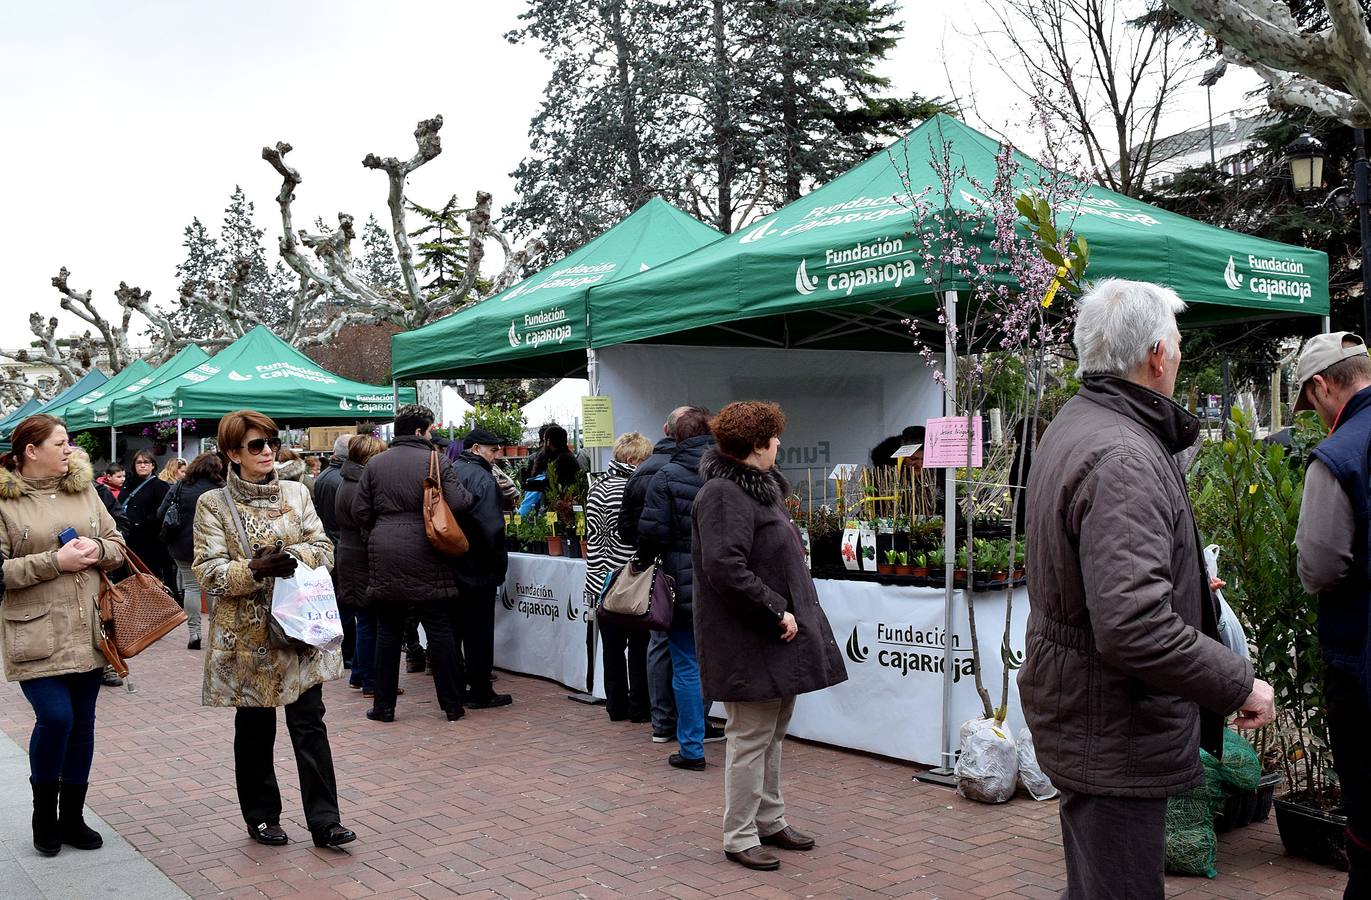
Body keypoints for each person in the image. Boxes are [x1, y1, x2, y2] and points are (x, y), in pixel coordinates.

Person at [1018, 279, 1274, 899]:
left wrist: (1188, 587)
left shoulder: (1082, 422)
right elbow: (1134, 625)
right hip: (1115, 724)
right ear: (1157, 355)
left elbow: (1105, 581)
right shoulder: (1123, 455)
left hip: (1091, 714)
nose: (1180, 355)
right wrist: (1238, 681)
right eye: (1178, 343)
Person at [693, 401, 847, 871]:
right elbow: (725, 567)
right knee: (751, 736)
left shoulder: (758, 491)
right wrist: (775, 609)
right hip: (750, 638)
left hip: (772, 636)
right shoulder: (724, 494)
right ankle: (739, 834)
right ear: (757, 444)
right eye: (775, 436)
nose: (780, 443)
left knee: (772, 734)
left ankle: (769, 820)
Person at [192, 410, 354, 850]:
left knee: (310, 725)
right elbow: (207, 572)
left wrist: (291, 557)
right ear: (232, 453)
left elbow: (325, 547)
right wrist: (254, 569)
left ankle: (325, 820)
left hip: (299, 632)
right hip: (248, 639)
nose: (267, 452)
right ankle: (262, 816)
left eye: (272, 443)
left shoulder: (298, 493)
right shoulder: (213, 504)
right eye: (255, 445)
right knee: (255, 728)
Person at [0, 414, 128, 856]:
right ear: (30, 451)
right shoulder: (3, 501)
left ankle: (72, 817)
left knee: (83, 724)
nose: (70, 449)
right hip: (35, 633)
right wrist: (55, 561)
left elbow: (117, 543)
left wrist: (99, 550)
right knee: (56, 719)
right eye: (61, 442)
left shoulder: (85, 489)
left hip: (89, 628)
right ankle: (43, 815)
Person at [1291, 331, 1371, 897]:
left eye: (1310, 402)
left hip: (1363, 665)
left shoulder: (1338, 457)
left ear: (1322, 386)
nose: (1315, 416)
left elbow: (1317, 567)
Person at [352, 403, 474, 722]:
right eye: (431, 428)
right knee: (439, 628)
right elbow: (460, 501)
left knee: (388, 631)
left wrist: (378, 533)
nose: (433, 434)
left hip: (386, 549)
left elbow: (360, 512)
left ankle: (383, 706)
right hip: (429, 548)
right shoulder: (435, 460)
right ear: (420, 431)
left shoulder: (375, 464)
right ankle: (452, 705)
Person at [638, 405, 725, 769]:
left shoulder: (666, 475)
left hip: (681, 583)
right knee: (720, 660)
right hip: (724, 582)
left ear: (674, 434)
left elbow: (650, 534)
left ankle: (692, 747)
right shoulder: (728, 473)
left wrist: (644, 564)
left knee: (686, 664)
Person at [586, 431, 654, 722]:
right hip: (627, 579)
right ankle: (640, 707)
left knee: (612, 648)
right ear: (632, 459)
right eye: (644, 459)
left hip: (598, 580)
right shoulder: (632, 487)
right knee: (639, 645)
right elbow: (635, 535)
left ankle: (616, 704)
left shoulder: (596, 486)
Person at [451, 428, 514, 709]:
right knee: (479, 630)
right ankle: (479, 689)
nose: (496, 455)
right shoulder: (483, 478)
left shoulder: (452, 469)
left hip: (453, 559)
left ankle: (458, 684)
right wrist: (499, 562)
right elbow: (492, 528)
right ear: (476, 448)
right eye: (492, 450)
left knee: (457, 629)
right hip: (477, 564)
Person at [335, 435, 387, 697]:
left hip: (350, 555)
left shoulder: (348, 480)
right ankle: (370, 680)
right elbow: (366, 523)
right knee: (369, 621)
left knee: (364, 619)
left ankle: (359, 674)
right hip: (360, 557)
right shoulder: (359, 485)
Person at [158, 452, 225, 649]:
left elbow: (161, 512)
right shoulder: (221, 488)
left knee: (191, 587)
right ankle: (215, 631)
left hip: (183, 544)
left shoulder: (180, 485)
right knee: (213, 588)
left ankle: (194, 633)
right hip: (213, 545)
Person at [312, 435, 354, 671]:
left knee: (338, 602)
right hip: (340, 543)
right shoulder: (341, 479)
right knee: (344, 603)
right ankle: (347, 652)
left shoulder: (326, 476)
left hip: (332, 542)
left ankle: (342, 650)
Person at [121, 456, 181, 599]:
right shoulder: (128, 484)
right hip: (130, 538)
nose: (142, 466)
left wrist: (143, 521)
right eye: (139, 463)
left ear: (153, 465)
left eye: (146, 463)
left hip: (152, 540)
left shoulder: (159, 485)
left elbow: (163, 511)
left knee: (151, 575)